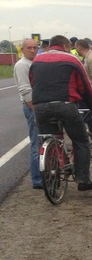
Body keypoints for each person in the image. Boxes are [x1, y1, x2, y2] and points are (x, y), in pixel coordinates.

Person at [29, 35, 92, 192]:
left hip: (40, 107)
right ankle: (83, 180)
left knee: (50, 139)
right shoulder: (72, 59)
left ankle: (52, 179)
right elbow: (85, 87)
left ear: (51, 45)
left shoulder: (37, 60)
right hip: (65, 105)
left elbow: (33, 83)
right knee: (80, 140)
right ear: (67, 46)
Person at [13, 38, 41, 189]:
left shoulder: (35, 63)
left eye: (35, 47)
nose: (32, 50)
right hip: (31, 107)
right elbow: (25, 90)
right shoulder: (22, 65)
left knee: (43, 142)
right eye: (29, 48)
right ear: (22, 49)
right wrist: (35, 109)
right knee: (36, 143)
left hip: (39, 105)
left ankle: (44, 174)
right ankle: (37, 179)